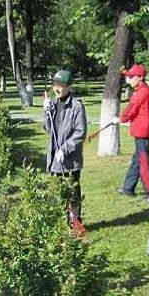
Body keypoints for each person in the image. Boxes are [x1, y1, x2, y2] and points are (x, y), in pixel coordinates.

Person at [43, 69, 88, 236]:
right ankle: (63, 222)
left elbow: (80, 132)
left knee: (72, 192)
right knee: (59, 191)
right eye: (55, 85)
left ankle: (75, 222)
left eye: (61, 85)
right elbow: (48, 129)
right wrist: (46, 112)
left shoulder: (76, 106)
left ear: (69, 86)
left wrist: (65, 149)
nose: (57, 88)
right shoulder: (53, 104)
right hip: (55, 158)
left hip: (70, 159)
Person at [113, 64, 149, 203]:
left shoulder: (140, 93)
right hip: (147, 130)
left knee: (144, 162)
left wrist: (120, 119)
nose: (128, 79)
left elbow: (131, 109)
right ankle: (128, 188)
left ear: (140, 77)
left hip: (141, 131)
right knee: (137, 160)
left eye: (131, 77)